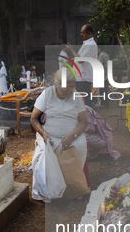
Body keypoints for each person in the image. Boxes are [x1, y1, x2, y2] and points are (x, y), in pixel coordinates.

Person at [30, 69, 88, 201]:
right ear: (56, 85)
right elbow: (33, 118)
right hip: (48, 135)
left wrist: (72, 136)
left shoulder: (76, 96)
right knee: (46, 151)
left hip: (71, 135)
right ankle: (49, 189)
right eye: (65, 87)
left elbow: (84, 121)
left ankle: (73, 188)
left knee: (80, 145)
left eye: (71, 86)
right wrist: (44, 134)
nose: (68, 90)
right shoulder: (47, 94)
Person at [62, 24, 97, 106]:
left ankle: (88, 118)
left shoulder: (91, 44)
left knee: (85, 103)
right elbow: (80, 58)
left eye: (83, 33)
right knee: (81, 102)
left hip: (84, 78)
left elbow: (81, 60)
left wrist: (71, 50)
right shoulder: (86, 44)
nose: (81, 35)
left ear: (89, 33)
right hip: (80, 78)